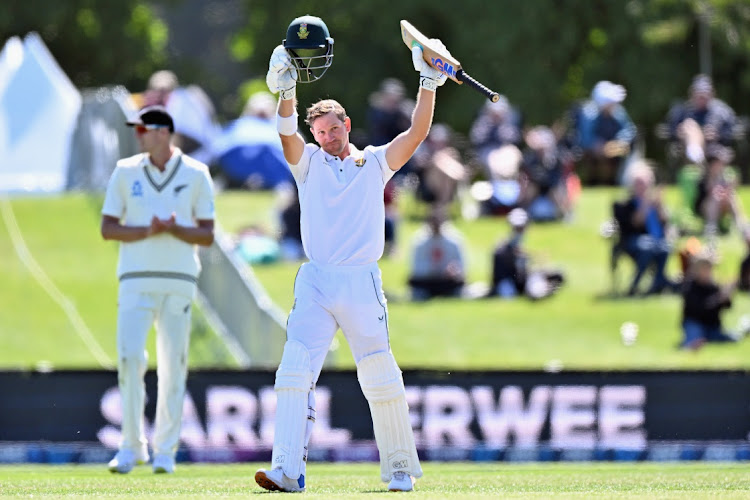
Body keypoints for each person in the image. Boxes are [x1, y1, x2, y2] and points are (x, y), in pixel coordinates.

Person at [254, 15, 447, 493]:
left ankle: (400, 468)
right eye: (318, 132)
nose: (326, 138)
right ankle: (287, 470)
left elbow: (417, 134)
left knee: (379, 374)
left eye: (331, 129)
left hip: (361, 282)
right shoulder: (308, 164)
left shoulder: (374, 163)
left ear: (346, 124)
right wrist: (286, 90)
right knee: (294, 371)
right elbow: (285, 134)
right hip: (316, 281)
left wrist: (428, 80)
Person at [100, 105, 215, 474]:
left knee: (173, 365)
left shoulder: (197, 173)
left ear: (163, 132)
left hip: (179, 278)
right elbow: (108, 227)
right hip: (134, 278)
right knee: (130, 358)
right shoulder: (125, 171)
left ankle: (165, 450)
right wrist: (147, 231)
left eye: (143, 130)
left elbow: (207, 233)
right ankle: (131, 446)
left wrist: (173, 228)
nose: (138, 136)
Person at [616, 162, 674, 296]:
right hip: (632, 241)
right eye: (639, 183)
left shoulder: (655, 204)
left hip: (656, 241)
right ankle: (634, 285)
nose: (642, 187)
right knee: (647, 247)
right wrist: (645, 203)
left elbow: (665, 222)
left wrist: (660, 204)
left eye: (645, 183)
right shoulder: (624, 204)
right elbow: (636, 222)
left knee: (665, 247)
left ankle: (657, 283)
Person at [488, 208, 564, 299]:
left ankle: (542, 290)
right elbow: (502, 264)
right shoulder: (503, 246)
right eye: (517, 228)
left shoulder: (519, 243)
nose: (520, 231)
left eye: (522, 228)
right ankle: (537, 293)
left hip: (522, 280)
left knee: (555, 274)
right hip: (508, 283)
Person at [666, 74, 737, 167]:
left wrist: (717, 135)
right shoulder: (682, 111)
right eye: (699, 93)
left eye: (705, 93)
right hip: (685, 148)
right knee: (689, 125)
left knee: (691, 127)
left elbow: (731, 131)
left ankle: (696, 156)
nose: (702, 97)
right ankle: (696, 153)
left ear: (712, 94)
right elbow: (670, 129)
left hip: (712, 147)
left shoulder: (722, 112)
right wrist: (678, 133)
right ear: (692, 94)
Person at [574, 80, 636, 185]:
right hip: (592, 152)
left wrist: (620, 142)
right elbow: (584, 138)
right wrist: (596, 145)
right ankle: (593, 182)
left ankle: (617, 181)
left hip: (613, 150)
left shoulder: (617, 111)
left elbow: (629, 129)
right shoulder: (589, 113)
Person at [680, 251, 736, 350]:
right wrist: (719, 298)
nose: (708, 271)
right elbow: (699, 308)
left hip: (712, 326)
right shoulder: (690, 286)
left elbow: (727, 306)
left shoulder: (713, 285)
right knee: (694, 337)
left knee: (733, 338)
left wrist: (726, 295)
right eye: (705, 268)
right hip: (695, 323)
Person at [407, 211, 466, 300]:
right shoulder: (420, 241)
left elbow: (462, 265)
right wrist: (433, 269)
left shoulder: (454, 241)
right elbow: (415, 268)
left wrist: (453, 270)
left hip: (446, 281)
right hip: (427, 280)